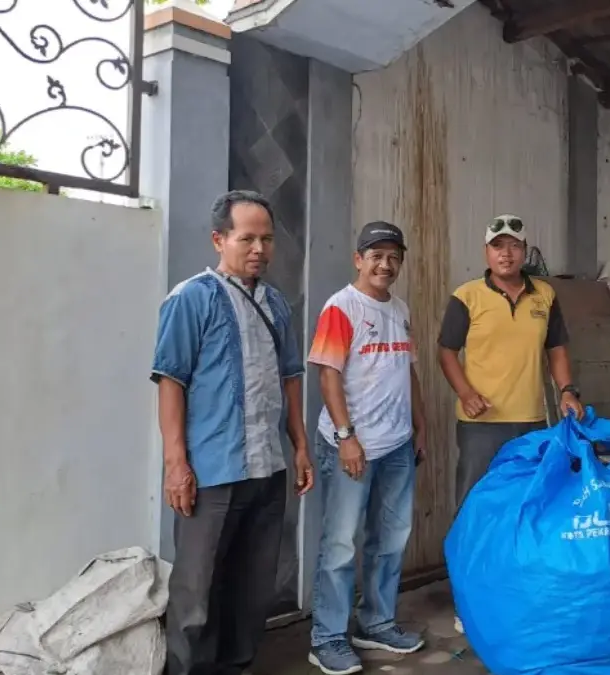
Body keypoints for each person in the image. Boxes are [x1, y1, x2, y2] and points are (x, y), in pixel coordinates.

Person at [151, 189, 315, 675]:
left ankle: (236, 666)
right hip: (212, 473)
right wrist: (176, 464)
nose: (259, 249)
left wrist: (301, 446)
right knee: (197, 592)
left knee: (250, 588)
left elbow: (290, 381)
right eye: (247, 238)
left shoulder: (278, 304)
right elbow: (170, 382)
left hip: (267, 469)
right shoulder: (190, 299)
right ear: (219, 240)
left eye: (266, 239)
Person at [437, 214, 582, 634]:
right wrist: (465, 392)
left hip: (532, 422)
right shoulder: (466, 296)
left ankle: (517, 593)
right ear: (486, 252)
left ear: (524, 251)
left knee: (528, 507)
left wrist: (567, 389)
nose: (506, 253)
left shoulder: (546, 296)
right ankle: (468, 600)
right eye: (497, 245)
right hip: (481, 425)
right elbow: (447, 351)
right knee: (475, 508)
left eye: (514, 245)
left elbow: (556, 348)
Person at [305, 221, 427, 675]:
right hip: (351, 445)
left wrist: (420, 422)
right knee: (340, 545)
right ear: (359, 259)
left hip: (396, 444)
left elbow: (407, 370)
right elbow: (327, 375)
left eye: (394, 256)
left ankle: (376, 622)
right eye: (376, 255)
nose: (386, 264)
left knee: (390, 539)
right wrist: (345, 436)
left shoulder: (399, 308)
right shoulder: (342, 307)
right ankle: (327, 637)